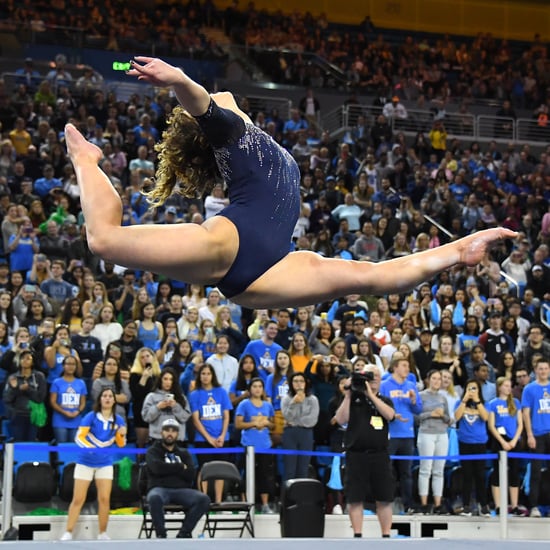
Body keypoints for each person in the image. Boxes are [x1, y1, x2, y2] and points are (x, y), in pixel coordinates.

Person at [64, 56, 515, 312]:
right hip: (235, 245)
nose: (226, 96)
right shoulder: (232, 135)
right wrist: (180, 79)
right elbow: (203, 103)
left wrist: (189, 86)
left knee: (372, 277)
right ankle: (88, 160)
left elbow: (209, 103)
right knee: (103, 239)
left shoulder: (256, 142)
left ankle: (460, 249)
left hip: (273, 266)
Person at [334, 364, 395, 538]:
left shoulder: (385, 400)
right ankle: (358, 535)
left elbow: (389, 415)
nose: (373, 378)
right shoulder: (353, 400)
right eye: (369, 375)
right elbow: (340, 419)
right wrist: (347, 395)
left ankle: (386, 535)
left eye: (376, 375)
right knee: (355, 497)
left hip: (379, 454)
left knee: (384, 497)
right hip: (356, 454)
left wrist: (370, 394)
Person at [60, 388, 126, 541]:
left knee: (104, 499)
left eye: (110, 396)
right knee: (78, 499)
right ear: (100, 399)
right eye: (105, 396)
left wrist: (121, 434)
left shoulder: (119, 420)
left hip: (105, 463)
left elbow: (121, 445)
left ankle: (102, 533)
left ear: (114, 400)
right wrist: (92, 450)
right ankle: (68, 532)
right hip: (85, 462)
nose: (108, 398)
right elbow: (79, 438)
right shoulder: (90, 417)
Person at [145, 417, 210, 538]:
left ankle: (184, 533)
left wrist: (167, 468)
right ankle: (161, 535)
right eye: (167, 430)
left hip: (181, 490)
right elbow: (156, 469)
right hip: (159, 488)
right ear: (161, 432)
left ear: (178, 434)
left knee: (203, 499)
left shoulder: (184, 453)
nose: (170, 433)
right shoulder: (153, 451)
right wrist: (180, 467)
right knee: (154, 498)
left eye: (173, 431)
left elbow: (190, 474)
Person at [380, 356, 422, 513]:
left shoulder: (411, 385)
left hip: (407, 434)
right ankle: (387, 503)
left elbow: (418, 409)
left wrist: (413, 401)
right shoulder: (384, 385)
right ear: (395, 367)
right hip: (391, 434)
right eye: (404, 365)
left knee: (407, 473)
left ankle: (408, 504)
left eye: (408, 366)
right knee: (387, 471)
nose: (407, 369)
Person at [235, 377, 276, 514]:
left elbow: (273, 424)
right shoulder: (244, 404)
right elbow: (238, 424)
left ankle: (264, 504)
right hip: (248, 445)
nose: (257, 389)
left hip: (265, 445)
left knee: (265, 475)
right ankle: (244, 503)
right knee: (247, 474)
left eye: (260, 386)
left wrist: (266, 424)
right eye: (254, 386)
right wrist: (253, 424)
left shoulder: (267, 405)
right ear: (250, 389)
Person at [416, 370, 451, 514]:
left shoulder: (443, 398)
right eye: (434, 378)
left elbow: (449, 419)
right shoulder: (421, 396)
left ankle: (438, 504)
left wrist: (442, 416)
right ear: (428, 380)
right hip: (426, 434)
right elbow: (416, 418)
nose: (437, 381)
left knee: (439, 470)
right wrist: (431, 414)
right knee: (425, 469)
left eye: (439, 379)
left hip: (442, 434)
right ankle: (424, 504)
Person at [487, 376, 523, 516]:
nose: (509, 388)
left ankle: (514, 505)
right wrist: (502, 442)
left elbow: (520, 424)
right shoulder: (493, 403)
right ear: (500, 387)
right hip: (500, 440)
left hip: (514, 440)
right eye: (506, 386)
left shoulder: (515, 402)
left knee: (514, 472)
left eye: (510, 386)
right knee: (497, 472)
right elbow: (491, 425)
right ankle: (498, 505)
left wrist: (514, 441)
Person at [454, 378, 490, 517]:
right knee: (467, 475)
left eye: (474, 388)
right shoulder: (460, 403)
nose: (472, 391)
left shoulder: (484, 403)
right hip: (465, 443)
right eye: (470, 388)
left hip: (480, 443)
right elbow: (456, 417)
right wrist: (464, 400)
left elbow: (486, 417)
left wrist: (477, 401)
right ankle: (466, 505)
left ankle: (483, 505)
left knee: (480, 475)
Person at [521, 357, 550, 518]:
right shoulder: (529, 389)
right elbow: (525, 413)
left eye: (546, 368)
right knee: (536, 473)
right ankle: (534, 506)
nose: (543, 371)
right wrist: (530, 435)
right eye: (541, 368)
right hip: (537, 434)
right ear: (536, 370)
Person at [280, 371, 319, 481]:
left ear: (306, 383)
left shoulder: (313, 400)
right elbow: (287, 417)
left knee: (303, 468)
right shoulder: (286, 399)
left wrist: (296, 421)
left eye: (301, 381)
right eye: (295, 381)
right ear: (291, 384)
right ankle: (286, 497)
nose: (299, 384)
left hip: (306, 434)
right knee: (289, 469)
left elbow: (311, 420)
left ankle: (301, 496)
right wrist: (294, 403)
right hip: (290, 434)